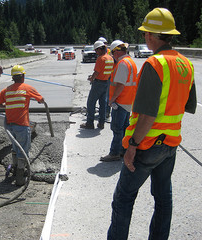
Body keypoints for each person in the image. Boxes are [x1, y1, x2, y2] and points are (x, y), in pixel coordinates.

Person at [107, 8, 197, 240]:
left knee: (123, 199)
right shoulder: (186, 64)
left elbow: (147, 115)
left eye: (146, 33)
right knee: (163, 198)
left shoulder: (154, 64)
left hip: (147, 144)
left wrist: (133, 146)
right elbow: (189, 105)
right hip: (171, 145)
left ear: (150, 35)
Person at [0, 65, 44, 186]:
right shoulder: (27, 88)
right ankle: (20, 178)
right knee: (23, 150)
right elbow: (41, 100)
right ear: (22, 76)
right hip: (22, 125)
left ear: (13, 78)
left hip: (10, 126)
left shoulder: (7, 90)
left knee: (15, 148)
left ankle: (15, 170)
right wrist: (38, 99)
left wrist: (6, 107)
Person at [100, 40, 138, 162]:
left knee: (117, 128)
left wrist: (112, 100)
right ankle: (123, 150)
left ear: (116, 52)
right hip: (128, 101)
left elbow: (120, 85)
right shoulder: (131, 62)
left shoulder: (122, 64)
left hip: (120, 101)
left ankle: (115, 153)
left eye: (112, 52)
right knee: (125, 127)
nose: (112, 55)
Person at [80, 40, 114, 129]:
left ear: (99, 49)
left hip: (98, 83)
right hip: (106, 83)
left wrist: (91, 78)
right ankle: (101, 123)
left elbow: (97, 72)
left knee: (91, 103)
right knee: (103, 104)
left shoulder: (101, 58)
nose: (96, 52)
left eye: (96, 50)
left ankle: (90, 123)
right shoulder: (110, 58)